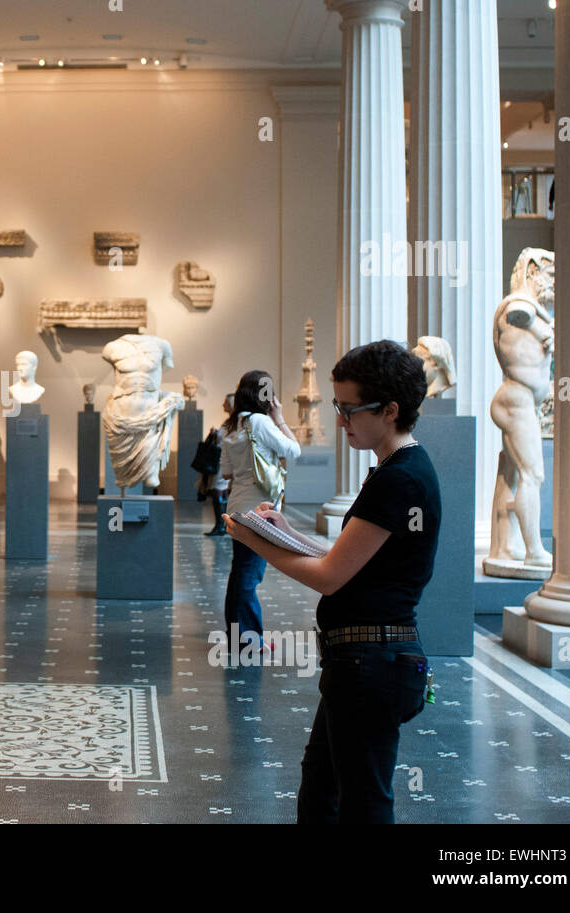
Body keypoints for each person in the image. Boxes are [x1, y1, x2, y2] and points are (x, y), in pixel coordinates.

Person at [223, 339, 439, 824]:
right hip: (366, 660)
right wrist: (286, 532)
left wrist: (254, 541)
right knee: (324, 792)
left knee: (360, 802)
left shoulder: (399, 479)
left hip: (373, 664)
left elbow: (329, 576)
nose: (339, 421)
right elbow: (349, 557)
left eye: (347, 410)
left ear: (389, 410)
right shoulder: (396, 470)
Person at [219, 371, 301, 651]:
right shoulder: (261, 422)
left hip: (237, 506)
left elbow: (227, 472)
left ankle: (239, 637)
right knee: (249, 575)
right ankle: (248, 640)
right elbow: (294, 450)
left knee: (241, 572)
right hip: (259, 510)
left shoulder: (230, 426)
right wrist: (279, 419)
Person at [201, 393, 235, 535]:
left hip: (224, 460)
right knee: (220, 490)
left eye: (225, 402)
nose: (223, 405)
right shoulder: (229, 422)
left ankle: (221, 525)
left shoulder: (234, 422)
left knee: (218, 489)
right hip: (222, 459)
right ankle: (222, 524)